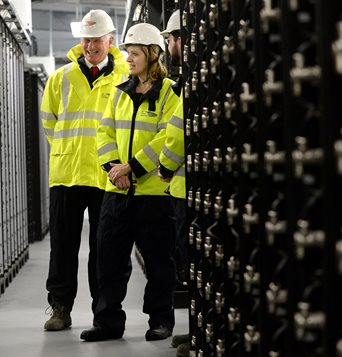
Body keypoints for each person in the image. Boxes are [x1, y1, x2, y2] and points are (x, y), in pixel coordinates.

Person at [80, 22, 179, 342]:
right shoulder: (120, 92)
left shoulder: (169, 92)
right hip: (116, 191)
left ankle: (160, 320)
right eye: (127, 53)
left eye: (134, 54)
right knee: (108, 259)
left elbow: (168, 136)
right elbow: (103, 131)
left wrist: (132, 168)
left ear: (153, 55)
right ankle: (108, 321)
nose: (129, 59)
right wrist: (113, 168)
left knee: (158, 261)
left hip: (153, 192)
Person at [39, 9, 129, 331]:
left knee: (103, 248)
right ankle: (60, 308)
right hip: (67, 172)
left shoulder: (123, 79)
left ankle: (101, 311)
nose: (91, 46)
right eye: (86, 39)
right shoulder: (60, 78)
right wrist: (66, 148)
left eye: (97, 40)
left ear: (110, 40)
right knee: (62, 246)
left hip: (106, 174)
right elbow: (49, 121)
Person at [160, 10, 189, 357]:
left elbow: (178, 131)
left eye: (169, 39)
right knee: (190, 264)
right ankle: (195, 327)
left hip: (184, 189)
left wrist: (165, 167)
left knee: (191, 263)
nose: (169, 45)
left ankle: (196, 331)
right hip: (188, 189)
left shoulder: (190, 77)